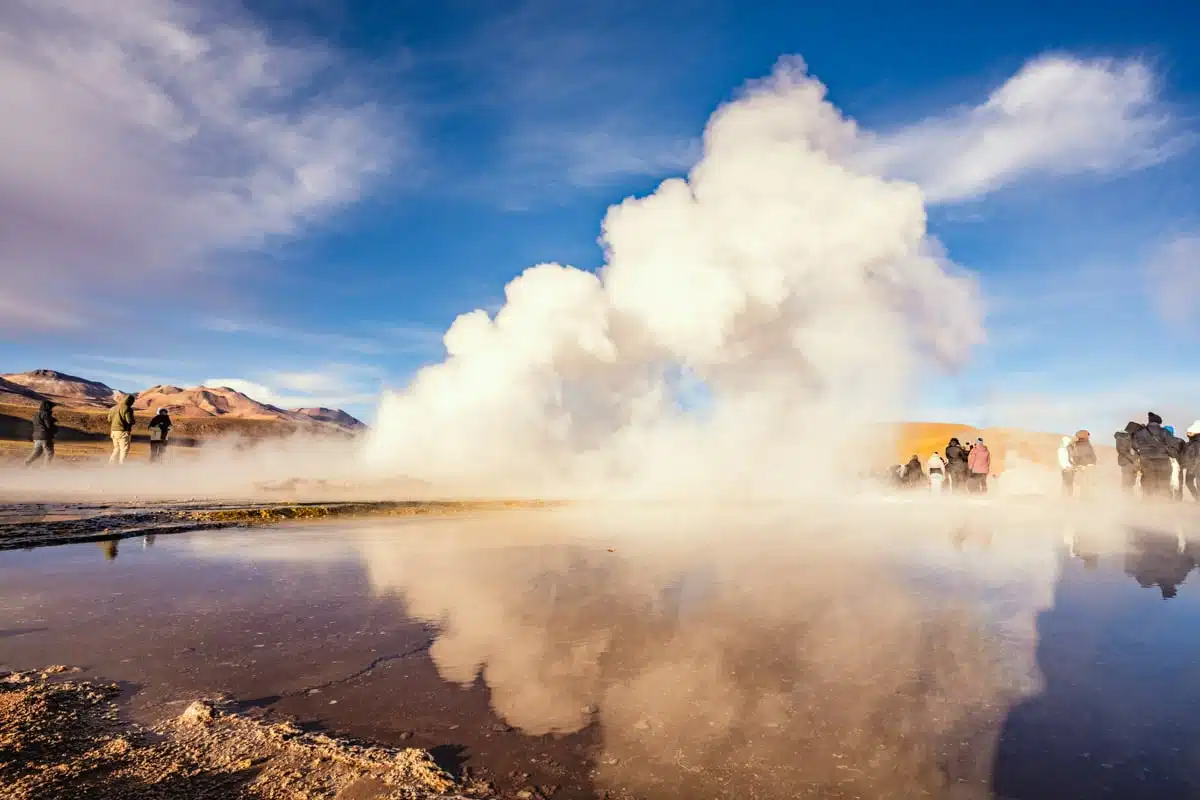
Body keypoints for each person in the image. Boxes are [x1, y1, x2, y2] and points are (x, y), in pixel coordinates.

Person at [1131, 412, 1179, 498]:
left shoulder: (1140, 432)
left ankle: (1148, 502)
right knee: (1163, 481)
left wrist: (1141, 453)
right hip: (1163, 460)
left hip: (1146, 460)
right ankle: (1164, 503)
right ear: (1159, 422)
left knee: (1148, 480)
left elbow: (1134, 445)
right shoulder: (1165, 432)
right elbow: (1174, 444)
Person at [24, 400, 58, 467]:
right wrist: (53, 424)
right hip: (45, 436)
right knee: (49, 453)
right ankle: (46, 469)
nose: (52, 409)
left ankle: (27, 462)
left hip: (36, 437)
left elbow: (38, 424)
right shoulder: (45, 414)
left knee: (37, 452)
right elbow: (48, 426)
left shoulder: (36, 415)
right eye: (51, 407)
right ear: (48, 407)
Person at [108, 393, 136, 465]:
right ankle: (122, 465)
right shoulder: (127, 408)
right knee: (124, 449)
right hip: (123, 431)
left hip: (113, 431)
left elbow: (109, 419)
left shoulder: (113, 408)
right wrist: (133, 421)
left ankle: (111, 464)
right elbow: (129, 421)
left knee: (116, 448)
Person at [1114, 422, 1141, 493]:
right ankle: (1126, 499)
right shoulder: (1122, 437)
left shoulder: (1131, 437)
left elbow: (1135, 448)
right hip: (1126, 463)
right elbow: (1123, 451)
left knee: (1131, 483)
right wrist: (1134, 460)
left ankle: (1129, 498)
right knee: (1127, 483)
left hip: (1132, 464)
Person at [1183, 422, 1200, 502]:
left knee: (1198, 483)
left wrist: (1193, 468)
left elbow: (1198, 458)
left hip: (1196, 467)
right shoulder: (1189, 443)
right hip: (1191, 466)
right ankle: (1197, 498)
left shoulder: (1197, 444)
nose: (1188, 434)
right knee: (1188, 482)